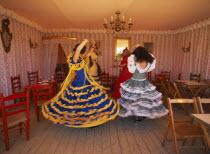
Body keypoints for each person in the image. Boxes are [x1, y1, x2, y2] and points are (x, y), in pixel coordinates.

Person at [42, 39, 120, 128]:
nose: (84, 53)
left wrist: (93, 45)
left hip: (87, 82)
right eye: (83, 51)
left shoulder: (81, 58)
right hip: (79, 83)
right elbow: (78, 50)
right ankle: (83, 120)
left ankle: (91, 119)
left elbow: (89, 53)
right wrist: (85, 41)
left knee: (89, 102)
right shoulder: (74, 59)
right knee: (81, 103)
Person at [118, 45, 168, 121]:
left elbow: (131, 71)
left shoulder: (134, 60)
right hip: (144, 82)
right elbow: (148, 70)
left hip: (134, 82)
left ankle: (137, 116)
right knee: (144, 100)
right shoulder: (148, 62)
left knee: (133, 99)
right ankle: (141, 115)